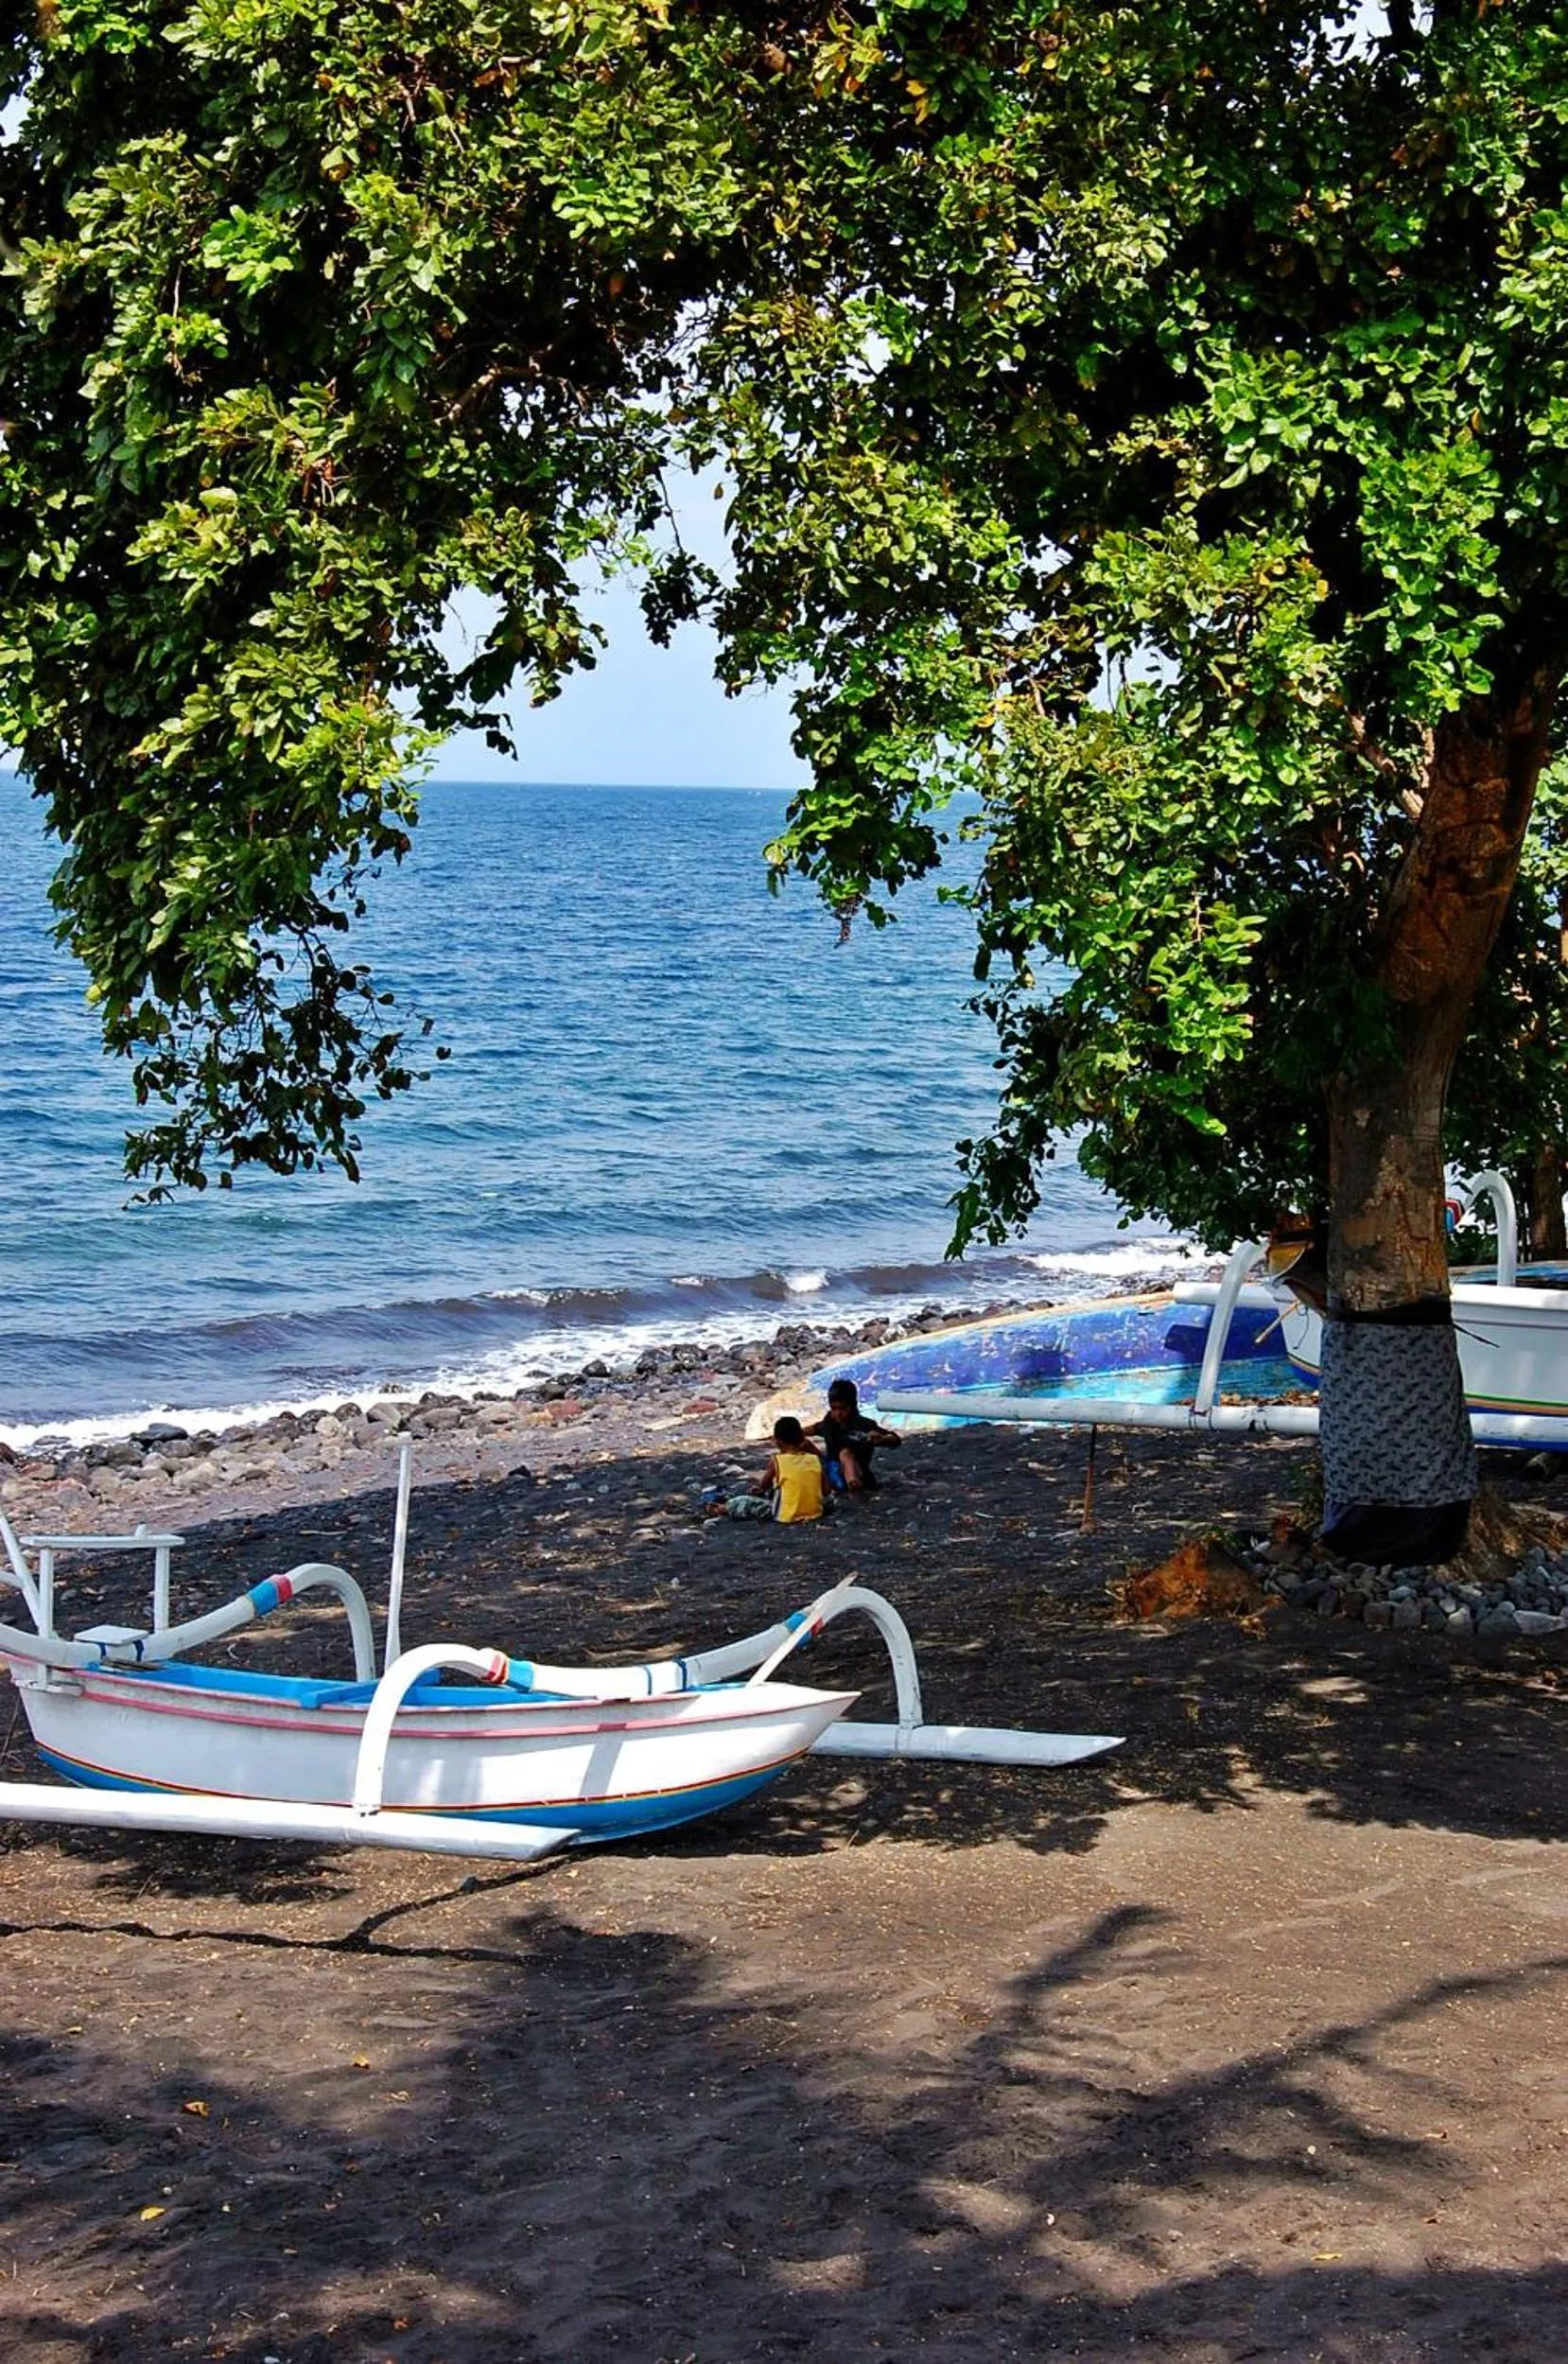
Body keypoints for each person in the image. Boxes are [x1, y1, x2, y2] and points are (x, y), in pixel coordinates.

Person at [708, 1415, 827, 1523]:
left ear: (778, 1442)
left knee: (745, 1502)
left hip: (786, 1515)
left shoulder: (778, 1461)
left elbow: (764, 1484)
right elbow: (826, 1490)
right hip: (815, 1513)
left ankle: (723, 1508)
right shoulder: (814, 1459)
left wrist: (761, 1488)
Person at [808, 1377, 899, 1493]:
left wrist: (882, 1439)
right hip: (833, 1474)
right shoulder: (829, 1424)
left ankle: (854, 1484)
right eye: (834, 1408)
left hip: (860, 1478)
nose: (838, 1413)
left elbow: (895, 1440)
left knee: (845, 1454)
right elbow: (812, 1429)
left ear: (853, 1405)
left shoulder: (864, 1425)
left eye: (842, 1408)